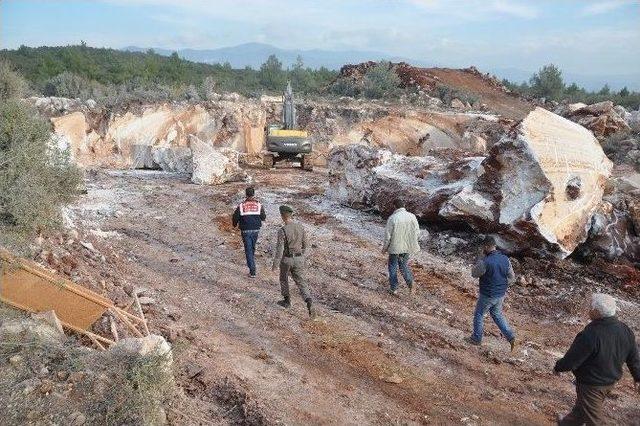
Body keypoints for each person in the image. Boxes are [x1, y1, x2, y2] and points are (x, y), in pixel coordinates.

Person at [554, 293, 640, 425]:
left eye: (591, 307)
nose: (589, 310)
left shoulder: (591, 334)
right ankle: (567, 424)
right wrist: (638, 376)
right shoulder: (625, 330)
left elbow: (572, 359)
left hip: (592, 384)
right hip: (610, 381)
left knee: (594, 420)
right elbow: (634, 357)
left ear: (597, 312)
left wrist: (558, 367)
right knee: (584, 407)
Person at [466, 236, 517, 351]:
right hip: (500, 294)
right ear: (495, 245)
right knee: (497, 314)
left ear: (486, 246)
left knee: (479, 314)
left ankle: (476, 338)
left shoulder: (486, 262)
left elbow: (474, 273)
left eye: (484, 247)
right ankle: (511, 336)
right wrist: (501, 285)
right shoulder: (505, 259)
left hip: (488, 294)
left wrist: (480, 259)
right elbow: (512, 278)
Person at [272, 205, 315, 318]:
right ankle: (309, 300)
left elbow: (280, 249)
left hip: (287, 259)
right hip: (299, 258)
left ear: (282, 216)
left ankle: (287, 301)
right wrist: (301, 256)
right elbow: (306, 245)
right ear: (291, 215)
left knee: (283, 279)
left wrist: (275, 264)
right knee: (301, 281)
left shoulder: (282, 231)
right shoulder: (300, 227)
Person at [382, 199, 420, 296]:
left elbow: (388, 237)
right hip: (407, 247)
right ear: (403, 206)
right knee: (403, 265)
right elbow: (417, 232)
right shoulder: (412, 216)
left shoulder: (392, 218)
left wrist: (384, 249)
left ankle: (394, 288)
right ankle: (411, 283)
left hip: (395, 248)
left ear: (395, 207)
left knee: (392, 267)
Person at [232, 187, 266, 278]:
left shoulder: (241, 205)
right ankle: (251, 263)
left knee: (248, 249)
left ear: (246, 194)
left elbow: (235, 217)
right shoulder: (259, 205)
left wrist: (234, 225)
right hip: (256, 229)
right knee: (252, 248)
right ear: (253, 194)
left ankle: (252, 271)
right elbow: (263, 217)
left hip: (245, 230)